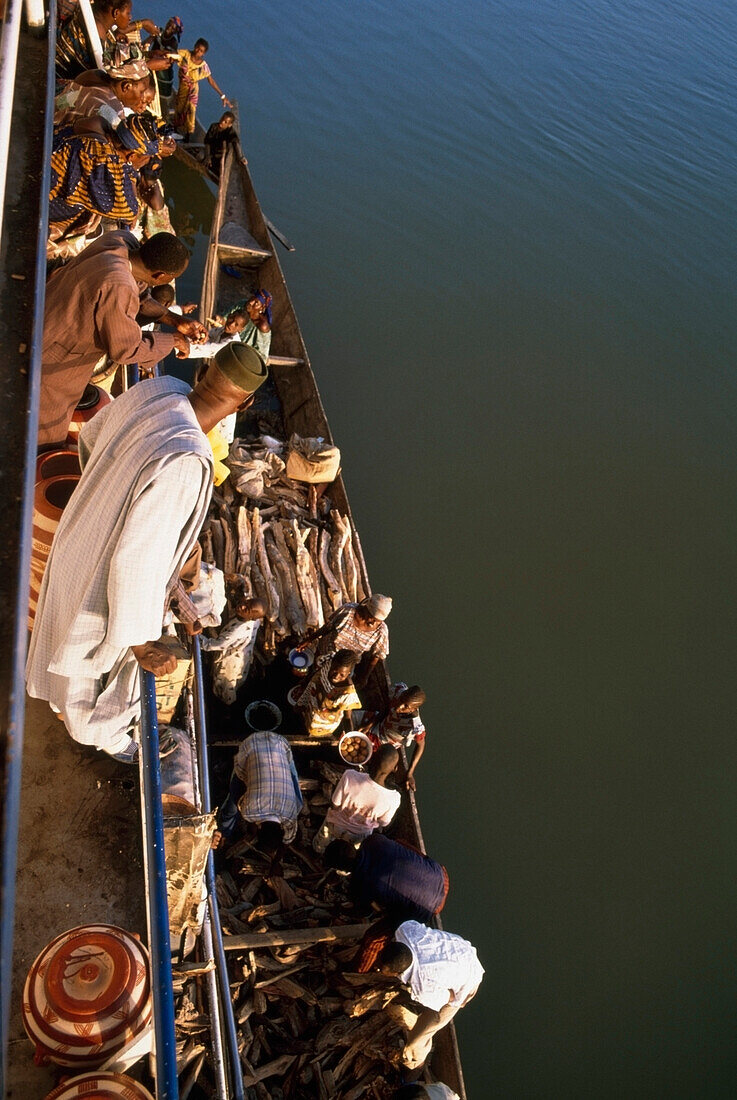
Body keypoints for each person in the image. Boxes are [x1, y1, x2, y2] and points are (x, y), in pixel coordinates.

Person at [26, 343, 269, 763]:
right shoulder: (187, 458)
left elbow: (89, 437)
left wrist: (104, 496)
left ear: (204, 371)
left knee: (63, 647)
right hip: (104, 582)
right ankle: (114, 742)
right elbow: (136, 560)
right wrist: (140, 643)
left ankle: (67, 708)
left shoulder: (157, 390)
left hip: (78, 538)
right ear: (245, 403)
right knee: (91, 685)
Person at [38, 230, 207, 448]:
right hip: (52, 357)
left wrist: (174, 319)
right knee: (45, 432)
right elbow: (126, 350)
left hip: (45, 317)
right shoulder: (118, 285)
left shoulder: (118, 241)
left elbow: (138, 293)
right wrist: (173, 341)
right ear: (159, 277)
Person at [48, 113, 159, 261]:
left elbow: (128, 171)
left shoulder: (98, 124)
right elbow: (130, 212)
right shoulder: (105, 166)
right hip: (45, 202)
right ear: (132, 156)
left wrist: (130, 171)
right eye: (146, 158)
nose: (147, 162)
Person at [375, 921, 484, 1070]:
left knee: (421, 1035)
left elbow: (451, 997)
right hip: (461, 950)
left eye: (383, 970)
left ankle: (415, 1062)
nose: (379, 970)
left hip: (469, 977)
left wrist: (440, 997)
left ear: (396, 973)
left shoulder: (423, 986)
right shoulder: (405, 930)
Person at [325, 834, 449, 925]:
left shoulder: (359, 885)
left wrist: (340, 910)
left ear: (342, 869)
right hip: (442, 876)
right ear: (352, 845)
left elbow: (364, 912)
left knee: (382, 927)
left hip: (431, 909)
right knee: (399, 842)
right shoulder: (373, 840)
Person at [217, 729, 303, 851]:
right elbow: (240, 798)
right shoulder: (249, 813)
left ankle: (224, 831)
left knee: (299, 804)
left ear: (281, 828)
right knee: (233, 802)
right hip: (249, 744)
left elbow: (289, 837)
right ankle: (223, 832)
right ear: (259, 828)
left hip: (281, 743)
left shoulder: (291, 814)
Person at [312, 743, 401, 853]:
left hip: (335, 826)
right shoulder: (394, 798)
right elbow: (383, 823)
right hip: (359, 836)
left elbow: (335, 804)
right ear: (395, 769)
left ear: (370, 759)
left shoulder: (350, 775)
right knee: (349, 856)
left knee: (321, 845)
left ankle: (318, 851)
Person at [298, 593, 392, 686]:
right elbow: (328, 627)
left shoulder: (381, 631)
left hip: (344, 666)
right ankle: (305, 684)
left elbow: (377, 655)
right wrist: (309, 640)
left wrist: (364, 677)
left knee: (332, 684)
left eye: (378, 621)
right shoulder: (348, 611)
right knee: (313, 675)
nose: (373, 622)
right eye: (372, 618)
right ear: (367, 609)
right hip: (326, 652)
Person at [56, 0, 154, 84]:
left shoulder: (92, 14)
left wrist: (149, 54)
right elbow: (110, 76)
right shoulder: (97, 34)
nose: (130, 17)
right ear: (116, 13)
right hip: (58, 75)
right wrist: (148, 65)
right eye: (128, 13)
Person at [200, 589, 266, 705]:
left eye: (247, 609)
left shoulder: (237, 631)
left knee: (226, 684)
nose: (243, 606)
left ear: (252, 617)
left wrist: (198, 638)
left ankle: (226, 707)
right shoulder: (254, 620)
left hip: (231, 661)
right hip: (242, 654)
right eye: (247, 602)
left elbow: (217, 645)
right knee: (236, 678)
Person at [361, 683, 427, 790]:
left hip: (384, 742)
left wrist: (410, 773)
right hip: (378, 722)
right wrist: (368, 726)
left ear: (413, 709)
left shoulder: (414, 726)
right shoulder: (398, 691)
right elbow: (386, 708)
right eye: (401, 700)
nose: (399, 706)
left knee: (363, 754)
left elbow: (421, 745)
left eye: (406, 706)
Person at [293, 649, 361, 738]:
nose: (336, 676)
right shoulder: (327, 663)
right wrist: (305, 682)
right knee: (302, 715)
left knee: (315, 733)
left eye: (342, 675)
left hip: (324, 722)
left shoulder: (347, 692)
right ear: (332, 664)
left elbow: (347, 718)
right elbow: (316, 673)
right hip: (311, 700)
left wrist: (350, 737)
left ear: (348, 673)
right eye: (334, 671)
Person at [173, 38, 232, 139]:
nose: (198, 51)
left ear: (203, 53)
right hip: (183, 87)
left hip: (193, 90)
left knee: (191, 109)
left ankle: (188, 135)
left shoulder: (203, 66)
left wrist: (222, 96)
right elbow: (172, 56)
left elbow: (211, 80)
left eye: (201, 51)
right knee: (180, 108)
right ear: (195, 46)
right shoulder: (185, 54)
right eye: (197, 48)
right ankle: (174, 129)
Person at [146, 16, 183, 99]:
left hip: (162, 67)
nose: (169, 27)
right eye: (169, 24)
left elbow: (170, 55)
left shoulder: (173, 42)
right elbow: (149, 40)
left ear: (175, 31)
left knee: (160, 87)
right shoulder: (159, 31)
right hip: (151, 58)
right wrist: (147, 43)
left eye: (173, 28)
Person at [204, 111, 246, 176]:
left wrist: (241, 157)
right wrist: (207, 156)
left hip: (221, 157)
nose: (222, 122)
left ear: (229, 125)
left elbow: (236, 143)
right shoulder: (213, 126)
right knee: (201, 157)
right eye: (222, 119)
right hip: (211, 153)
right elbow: (207, 142)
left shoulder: (230, 132)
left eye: (225, 122)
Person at [234, 290, 272, 361]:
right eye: (252, 298)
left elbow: (263, 356)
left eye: (256, 302)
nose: (250, 302)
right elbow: (226, 318)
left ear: (261, 308)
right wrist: (220, 320)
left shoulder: (262, 326)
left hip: (244, 356)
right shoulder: (242, 304)